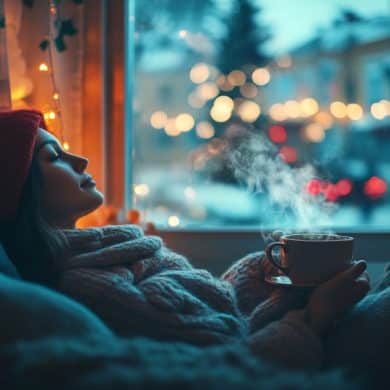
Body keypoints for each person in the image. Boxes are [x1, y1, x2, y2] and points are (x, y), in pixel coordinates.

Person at [0, 109, 370, 369]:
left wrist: (266, 271)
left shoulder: (108, 253)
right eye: (55, 158)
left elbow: (216, 312)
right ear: (20, 191)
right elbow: (226, 364)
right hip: (312, 351)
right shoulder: (91, 284)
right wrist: (314, 317)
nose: (79, 160)